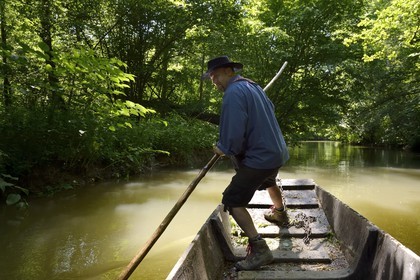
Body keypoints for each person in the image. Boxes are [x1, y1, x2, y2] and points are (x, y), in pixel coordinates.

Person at [202, 56, 290, 270]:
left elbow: (233, 132)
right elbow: (270, 110)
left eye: (215, 76)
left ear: (228, 71)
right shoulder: (254, 86)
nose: (214, 82)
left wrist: (224, 147)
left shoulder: (233, 93)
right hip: (276, 152)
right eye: (211, 78)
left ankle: (260, 250)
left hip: (261, 157)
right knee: (269, 180)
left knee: (232, 201)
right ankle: (279, 213)